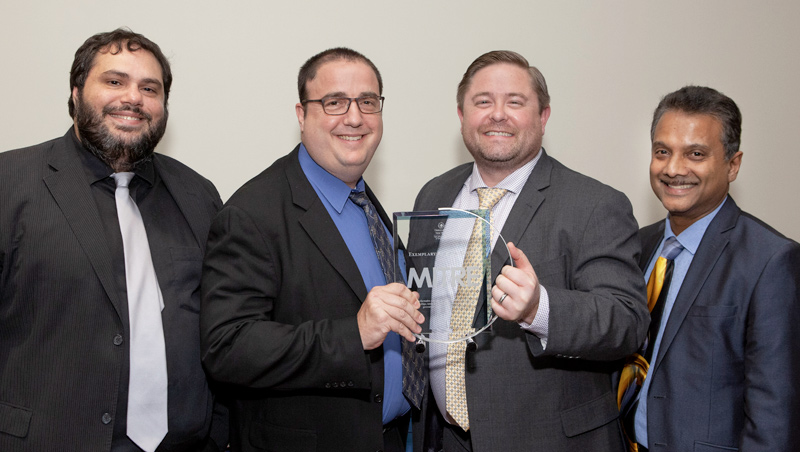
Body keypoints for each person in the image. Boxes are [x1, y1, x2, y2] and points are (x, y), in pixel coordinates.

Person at [0, 29, 227, 451]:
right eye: (115, 81)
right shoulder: (9, 184)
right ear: (75, 92)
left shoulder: (199, 196)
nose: (133, 99)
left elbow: (220, 326)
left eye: (149, 88)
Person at [411, 50, 648, 452]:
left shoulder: (594, 204)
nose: (497, 114)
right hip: (446, 439)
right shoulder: (433, 195)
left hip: (548, 441)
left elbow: (626, 321)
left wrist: (541, 308)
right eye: (483, 101)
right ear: (462, 115)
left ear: (543, 117)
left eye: (515, 102)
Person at [200, 47, 425, 452]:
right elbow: (227, 347)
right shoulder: (253, 213)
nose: (354, 118)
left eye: (368, 102)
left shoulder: (365, 202)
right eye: (334, 102)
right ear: (302, 115)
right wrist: (352, 334)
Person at [624, 85, 800, 451]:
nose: (673, 169)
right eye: (662, 152)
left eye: (696, 154)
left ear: (732, 165)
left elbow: (775, 414)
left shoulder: (771, 261)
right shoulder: (637, 246)